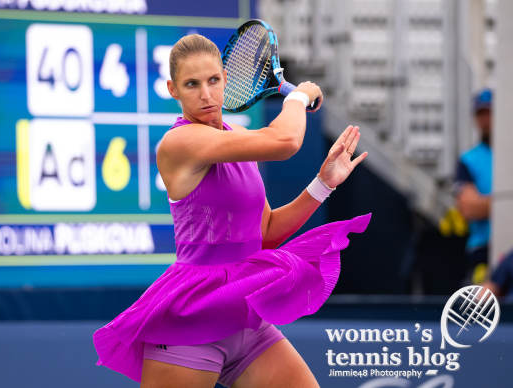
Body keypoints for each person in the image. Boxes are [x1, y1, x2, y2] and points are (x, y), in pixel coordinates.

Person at [93, 34, 370, 388]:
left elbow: (266, 231)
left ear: (225, 79)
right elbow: (286, 141)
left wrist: (323, 184)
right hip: (190, 320)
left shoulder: (236, 138)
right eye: (191, 84)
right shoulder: (180, 143)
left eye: (213, 80)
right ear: (172, 90)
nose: (206, 94)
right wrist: (298, 97)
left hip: (243, 316)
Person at [454, 88, 493, 284]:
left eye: (490, 112)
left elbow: (477, 204)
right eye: (481, 114)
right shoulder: (468, 160)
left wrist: (486, 203)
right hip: (483, 252)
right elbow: (468, 208)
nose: (486, 119)